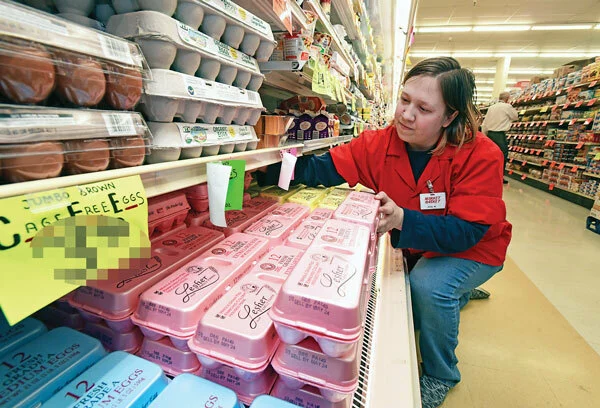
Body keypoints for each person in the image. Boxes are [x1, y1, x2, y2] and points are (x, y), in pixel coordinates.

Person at [256, 57, 512, 408]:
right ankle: (457, 295)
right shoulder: (381, 142)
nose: (406, 115)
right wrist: (261, 171)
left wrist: (403, 219)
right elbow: (325, 167)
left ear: (450, 117)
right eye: (404, 100)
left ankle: (442, 373)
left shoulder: (481, 154)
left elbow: (466, 232)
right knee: (419, 291)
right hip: (422, 245)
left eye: (423, 108)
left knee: (429, 286)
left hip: (475, 248)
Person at [481, 91, 519, 184]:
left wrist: (484, 135)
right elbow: (515, 117)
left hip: (490, 134)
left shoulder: (491, 107)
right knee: (502, 156)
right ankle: (499, 177)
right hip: (499, 135)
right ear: (507, 99)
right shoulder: (507, 107)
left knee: (489, 156)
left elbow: (485, 123)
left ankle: (487, 176)